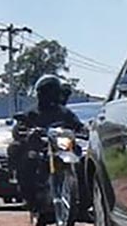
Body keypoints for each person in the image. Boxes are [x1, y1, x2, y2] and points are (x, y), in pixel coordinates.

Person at [8, 74, 81, 207]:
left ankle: (84, 197)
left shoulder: (64, 112)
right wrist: (25, 131)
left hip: (61, 147)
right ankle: (29, 195)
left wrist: (84, 130)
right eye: (47, 91)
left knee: (81, 157)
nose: (51, 95)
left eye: (53, 91)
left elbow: (78, 125)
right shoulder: (32, 112)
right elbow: (19, 128)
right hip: (41, 147)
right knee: (27, 157)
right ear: (41, 93)